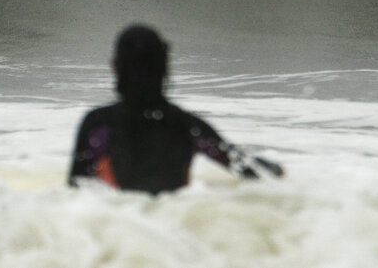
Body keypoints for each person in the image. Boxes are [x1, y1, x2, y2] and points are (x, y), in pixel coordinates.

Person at [68, 24, 283, 193]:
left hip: (120, 226)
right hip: (173, 228)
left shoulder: (97, 126)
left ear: (115, 66)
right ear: (165, 65)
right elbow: (251, 169)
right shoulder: (187, 127)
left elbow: (75, 192)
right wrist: (277, 169)